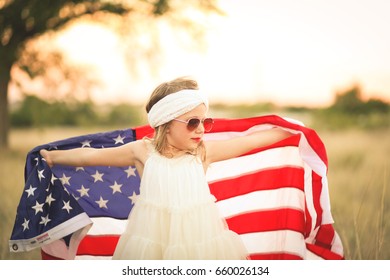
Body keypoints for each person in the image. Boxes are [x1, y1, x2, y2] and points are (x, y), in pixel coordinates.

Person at [40, 77, 293, 260]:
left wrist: (290, 130)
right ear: (166, 124)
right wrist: (53, 159)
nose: (202, 129)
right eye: (193, 122)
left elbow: (248, 142)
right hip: (151, 242)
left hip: (200, 241)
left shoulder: (202, 152)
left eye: (206, 121)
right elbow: (89, 157)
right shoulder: (142, 152)